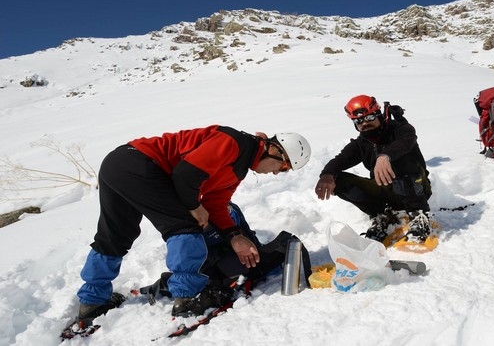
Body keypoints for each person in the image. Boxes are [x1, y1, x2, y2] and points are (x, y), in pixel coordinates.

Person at [74, 125, 311, 324]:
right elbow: (185, 175)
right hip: (139, 163)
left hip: (118, 165)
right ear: (273, 149)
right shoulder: (233, 142)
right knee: (185, 226)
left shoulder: (238, 168)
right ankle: (189, 297)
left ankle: (93, 301)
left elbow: (216, 204)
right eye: (284, 166)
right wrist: (193, 207)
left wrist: (234, 236)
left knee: (115, 235)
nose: (279, 173)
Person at [138, 202, 310, 315]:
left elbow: (250, 247)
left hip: (227, 248)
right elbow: (187, 258)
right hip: (205, 255)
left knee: (248, 264)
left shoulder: (225, 212)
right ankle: (183, 285)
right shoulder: (183, 226)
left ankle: (190, 284)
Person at [314, 95, 432, 244]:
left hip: (417, 189)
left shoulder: (400, 129)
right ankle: (383, 215)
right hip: (387, 192)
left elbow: (406, 141)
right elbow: (341, 159)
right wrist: (327, 174)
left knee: (399, 159)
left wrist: (386, 156)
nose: (364, 123)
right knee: (338, 179)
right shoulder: (361, 144)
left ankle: (418, 214)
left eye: (369, 117)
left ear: (378, 114)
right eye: (358, 121)